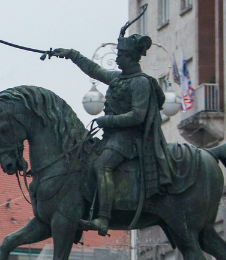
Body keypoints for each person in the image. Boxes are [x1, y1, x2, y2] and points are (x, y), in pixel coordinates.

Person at [44, 22, 176, 237]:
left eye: (121, 56)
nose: (116, 59)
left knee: (102, 165)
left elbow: (138, 115)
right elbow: (94, 70)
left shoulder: (140, 83)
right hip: (112, 137)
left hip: (130, 139)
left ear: (131, 57)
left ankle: (103, 218)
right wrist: (70, 54)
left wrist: (109, 120)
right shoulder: (118, 78)